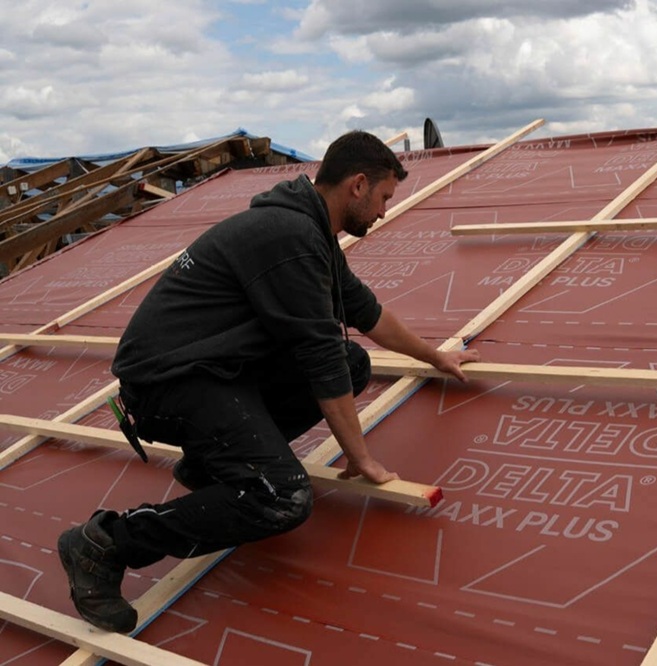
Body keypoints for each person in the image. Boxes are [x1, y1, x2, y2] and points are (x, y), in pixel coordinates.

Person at [57, 130, 480, 633]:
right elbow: (316, 353)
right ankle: (105, 542)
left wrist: (436, 357)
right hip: (166, 385)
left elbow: (366, 315)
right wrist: (360, 457)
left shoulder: (309, 233)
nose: (386, 212)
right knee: (283, 497)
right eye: (386, 198)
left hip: (213, 370)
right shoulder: (289, 236)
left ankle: (216, 465)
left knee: (353, 363)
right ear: (359, 185)